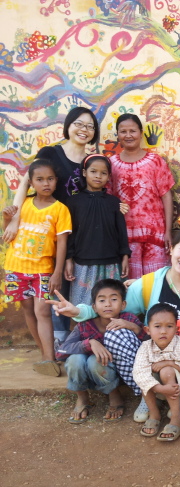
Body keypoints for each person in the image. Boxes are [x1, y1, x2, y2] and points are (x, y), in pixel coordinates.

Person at [50, 230, 180, 422]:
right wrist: (77, 311)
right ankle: (148, 392)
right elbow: (111, 308)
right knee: (115, 333)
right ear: (172, 249)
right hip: (153, 354)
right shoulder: (149, 283)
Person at [4, 107, 101, 342]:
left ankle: (73, 339)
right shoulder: (51, 153)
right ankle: (54, 343)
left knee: (72, 282)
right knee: (50, 285)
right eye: (79, 123)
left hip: (77, 231)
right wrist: (15, 220)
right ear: (68, 125)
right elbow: (27, 182)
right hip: (46, 232)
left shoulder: (90, 162)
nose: (84, 130)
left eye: (90, 126)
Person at [3, 159, 71, 376]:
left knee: (42, 311)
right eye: (40, 179)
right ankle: (44, 355)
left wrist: (57, 272)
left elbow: (62, 244)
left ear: (56, 181)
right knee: (27, 310)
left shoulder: (60, 209)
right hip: (16, 266)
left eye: (50, 179)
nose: (45, 183)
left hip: (42, 269)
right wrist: (6, 219)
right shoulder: (23, 205)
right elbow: (9, 235)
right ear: (31, 183)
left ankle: (49, 357)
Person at [56, 279, 143, 424]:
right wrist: (89, 343)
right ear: (94, 307)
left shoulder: (128, 319)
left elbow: (147, 342)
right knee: (75, 360)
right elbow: (61, 351)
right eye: (102, 300)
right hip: (85, 373)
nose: (108, 304)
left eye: (114, 299)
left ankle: (114, 394)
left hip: (116, 373)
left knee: (94, 361)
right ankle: (82, 398)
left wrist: (134, 327)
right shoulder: (85, 325)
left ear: (123, 304)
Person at [109, 113, 175, 279]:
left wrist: (168, 231)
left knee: (156, 283)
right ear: (117, 134)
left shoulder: (155, 161)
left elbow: (166, 196)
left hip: (155, 235)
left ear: (140, 132)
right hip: (125, 239)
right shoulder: (110, 164)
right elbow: (107, 200)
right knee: (131, 287)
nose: (128, 135)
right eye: (123, 131)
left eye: (133, 131)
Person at [65, 155, 130, 306]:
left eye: (103, 173)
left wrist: (125, 256)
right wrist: (68, 260)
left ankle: (109, 330)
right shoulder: (73, 202)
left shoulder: (114, 202)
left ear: (108, 176)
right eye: (93, 171)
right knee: (81, 307)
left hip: (111, 262)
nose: (98, 176)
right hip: (83, 263)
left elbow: (121, 231)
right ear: (84, 173)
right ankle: (82, 331)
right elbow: (70, 234)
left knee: (110, 305)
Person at [133, 303, 180, 441]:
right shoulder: (145, 348)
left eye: (169, 326)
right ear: (148, 329)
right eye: (157, 326)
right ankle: (154, 414)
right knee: (143, 376)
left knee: (167, 371)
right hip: (159, 389)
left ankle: (176, 418)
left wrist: (170, 363)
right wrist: (161, 388)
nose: (163, 331)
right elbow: (139, 373)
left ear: (176, 328)